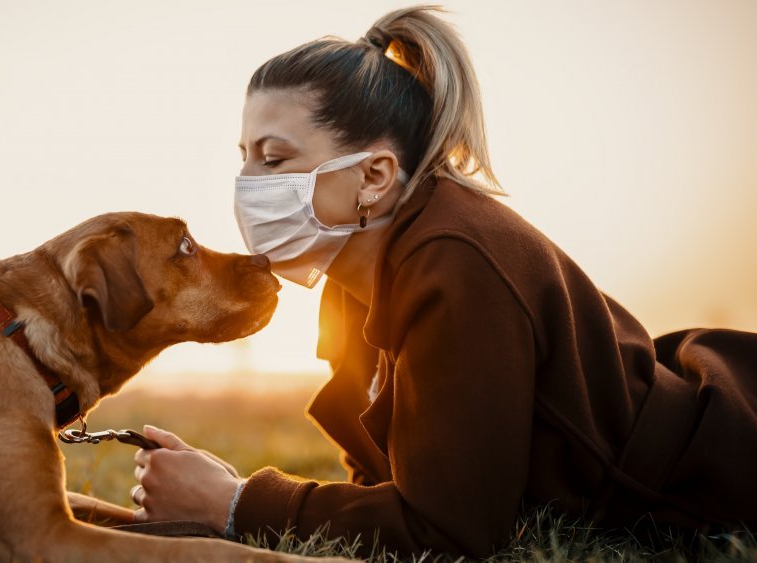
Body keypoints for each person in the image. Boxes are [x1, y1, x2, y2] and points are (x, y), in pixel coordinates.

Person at [124, 6, 757, 559]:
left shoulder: (454, 259)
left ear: (373, 176)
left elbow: (447, 532)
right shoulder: (351, 277)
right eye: (245, 157)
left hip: (719, 472)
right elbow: (393, 490)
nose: (249, 184)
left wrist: (236, 503)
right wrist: (223, 493)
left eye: (276, 158)